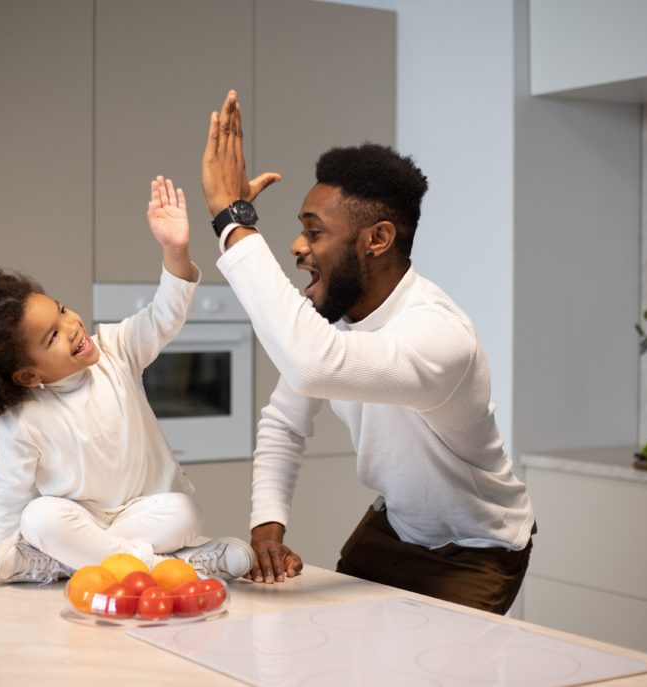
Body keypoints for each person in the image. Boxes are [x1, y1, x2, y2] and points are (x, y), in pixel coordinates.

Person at [199, 91, 535, 614]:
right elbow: (285, 422)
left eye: (314, 231)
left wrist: (232, 221)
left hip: (477, 549)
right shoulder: (332, 320)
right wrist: (267, 528)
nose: (296, 245)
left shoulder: (439, 336)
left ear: (377, 239)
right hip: (395, 525)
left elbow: (311, 362)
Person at [0, 177, 253, 585]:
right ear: (28, 374)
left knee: (186, 512)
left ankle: (65, 564)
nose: (72, 326)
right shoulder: (23, 419)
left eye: (62, 311)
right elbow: (9, 489)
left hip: (141, 514)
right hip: (80, 520)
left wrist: (175, 249)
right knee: (40, 516)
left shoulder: (116, 348)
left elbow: (165, 314)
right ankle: (175, 567)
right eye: (52, 336)